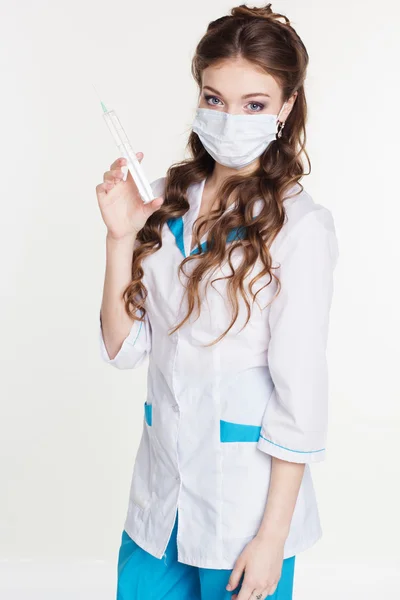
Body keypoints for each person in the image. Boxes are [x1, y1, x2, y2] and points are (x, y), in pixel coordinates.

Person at [96, 3, 339, 599]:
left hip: (245, 514)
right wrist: (120, 237)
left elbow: (299, 396)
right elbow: (123, 348)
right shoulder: (163, 203)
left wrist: (272, 540)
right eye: (214, 99)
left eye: (254, 104)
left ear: (284, 108)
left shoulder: (301, 228)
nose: (231, 119)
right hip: (159, 502)